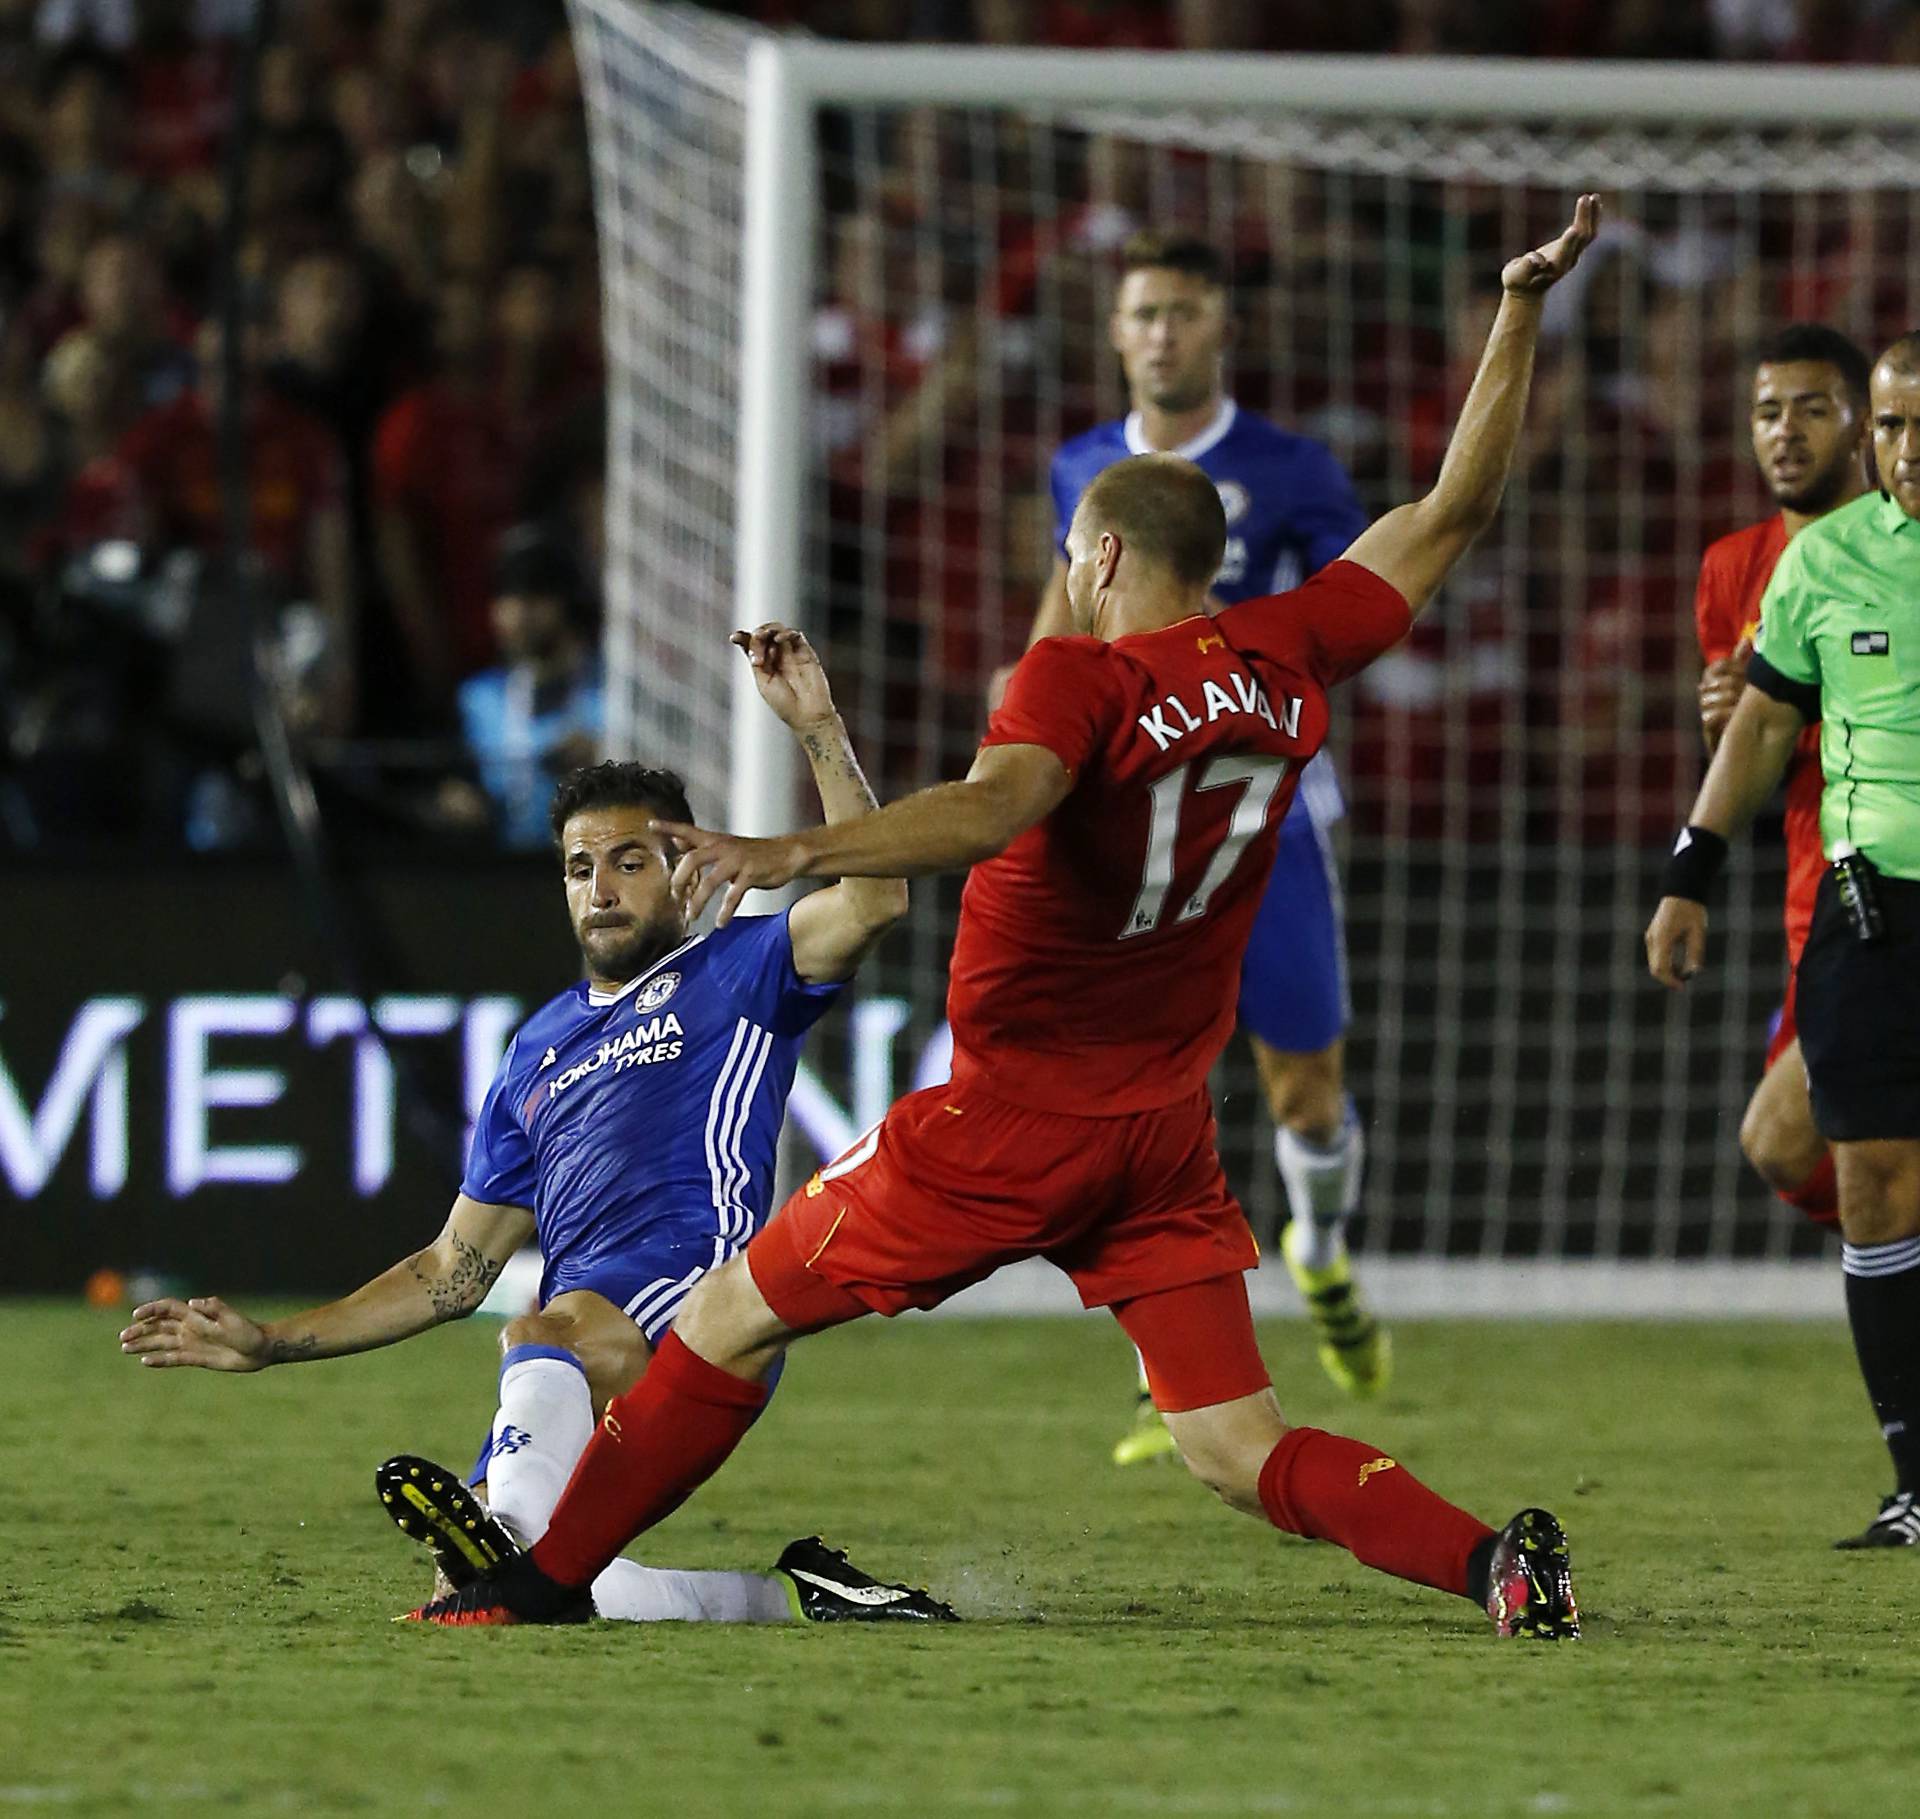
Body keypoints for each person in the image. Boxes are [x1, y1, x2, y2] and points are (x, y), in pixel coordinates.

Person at [402, 199, 1601, 1637]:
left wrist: (795, 843)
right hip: (1160, 1131)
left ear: (1095, 559)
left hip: (1006, 1124)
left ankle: (532, 1588)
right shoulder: (1295, 647)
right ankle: (1494, 1563)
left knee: (729, 1313)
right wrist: (1520, 310)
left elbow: (990, 811)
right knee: (1236, 1444)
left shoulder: (1070, 683)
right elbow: (1453, 510)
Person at [120, 628, 951, 1622]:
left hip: (699, 1299)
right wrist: (272, 1344)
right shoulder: (535, 1050)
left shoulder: (741, 966)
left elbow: (877, 894)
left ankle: (501, 1535)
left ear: (687, 868)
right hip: (570, 1359)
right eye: (578, 867)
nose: (599, 886)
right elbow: (449, 1270)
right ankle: (792, 1593)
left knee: (531, 1360)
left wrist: (817, 728)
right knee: (527, 1593)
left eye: (629, 861)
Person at [1025, 230, 1385, 1459]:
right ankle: (1161, 1371)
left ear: (1220, 328)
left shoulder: (1291, 471)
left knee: (1302, 1082)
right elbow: (1058, 619)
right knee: (1143, 1081)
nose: (1163, 333)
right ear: (1117, 332)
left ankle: (1323, 1254)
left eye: (1184, 311)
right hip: (1127, 822)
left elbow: (1341, 611)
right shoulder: (1080, 465)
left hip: (1260, 814)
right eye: (1144, 313)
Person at [1648, 332, 1920, 1550]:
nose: (1904, 450)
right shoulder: (1819, 560)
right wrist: (1689, 876)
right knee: (1853, 1175)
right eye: (1894, 427)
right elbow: (1760, 726)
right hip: (1865, 915)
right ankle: (1916, 1479)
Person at [1693, 325, 1871, 1228]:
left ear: (1866, 424)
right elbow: (1754, 763)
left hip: (1890, 872)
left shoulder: (1895, 552)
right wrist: (1731, 724)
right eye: (1768, 411)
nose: (1786, 431)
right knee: (1793, 1145)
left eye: (1812, 408)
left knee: (1790, 1134)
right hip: (1815, 886)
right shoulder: (1732, 568)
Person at [453, 526, 604, 850]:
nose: (516, 613)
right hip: (512, 877)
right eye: (505, 596)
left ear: (569, 602)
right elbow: (461, 790)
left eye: (535, 596)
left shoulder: (612, 695)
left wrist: (607, 754)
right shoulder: (478, 699)